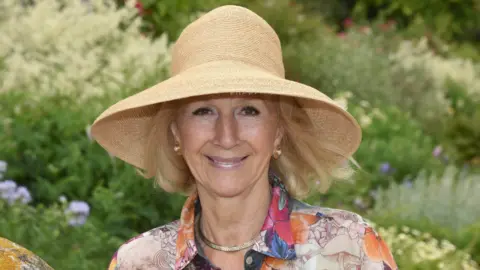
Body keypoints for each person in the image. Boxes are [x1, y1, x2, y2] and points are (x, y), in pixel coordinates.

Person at [91, 5, 397, 270]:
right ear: (176, 133)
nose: (227, 136)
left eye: (248, 110)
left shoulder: (350, 250)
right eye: (203, 111)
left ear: (278, 132)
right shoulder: (139, 262)